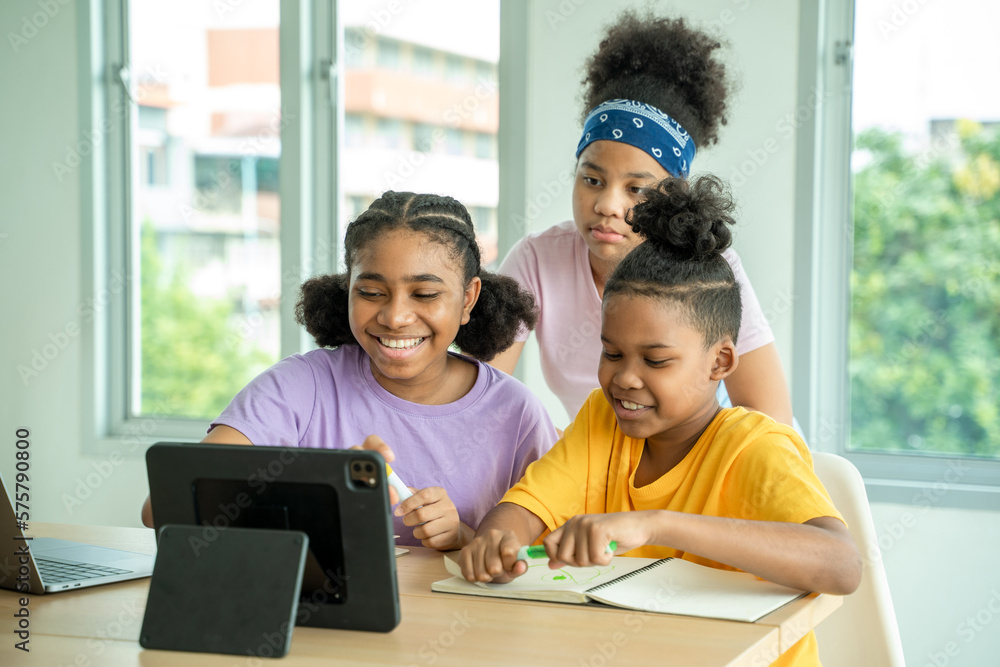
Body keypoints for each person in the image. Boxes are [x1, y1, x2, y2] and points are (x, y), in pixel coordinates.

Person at [459, 176, 860, 667]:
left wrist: (657, 525)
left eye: (655, 361)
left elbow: (842, 566)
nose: (624, 379)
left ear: (720, 363)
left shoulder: (755, 446)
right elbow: (526, 508)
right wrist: (499, 540)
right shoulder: (601, 421)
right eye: (610, 353)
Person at [140, 191, 560, 550]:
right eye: (372, 292)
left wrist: (465, 538)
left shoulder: (516, 414)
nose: (395, 317)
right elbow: (163, 507)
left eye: (425, 293)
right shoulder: (300, 387)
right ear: (348, 290)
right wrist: (318, 488)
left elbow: (553, 564)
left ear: (468, 299)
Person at [490, 10, 793, 425]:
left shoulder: (708, 266)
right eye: (592, 179)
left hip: (700, 465)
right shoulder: (537, 259)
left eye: (636, 189)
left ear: (673, 194)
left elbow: (768, 415)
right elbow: (481, 390)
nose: (608, 205)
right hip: (597, 474)